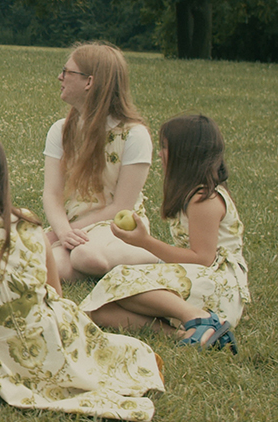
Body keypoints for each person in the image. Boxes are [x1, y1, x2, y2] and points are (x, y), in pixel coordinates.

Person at [0, 126, 164, 422]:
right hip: (53, 347)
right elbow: (55, 295)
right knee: (124, 354)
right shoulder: (27, 225)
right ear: (1, 176)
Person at [80, 114, 246, 354]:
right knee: (98, 309)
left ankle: (198, 318)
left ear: (184, 153)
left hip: (218, 287)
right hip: (199, 282)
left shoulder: (205, 200)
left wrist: (145, 241)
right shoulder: (195, 195)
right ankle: (187, 334)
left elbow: (203, 259)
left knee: (121, 278)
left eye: (165, 147)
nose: (160, 154)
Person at [42, 42, 159, 281]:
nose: (59, 77)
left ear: (89, 82)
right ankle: (97, 265)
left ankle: (155, 257)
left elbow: (121, 207)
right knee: (48, 264)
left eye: (67, 72)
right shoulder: (61, 131)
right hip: (73, 227)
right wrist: (62, 231)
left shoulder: (134, 135)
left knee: (85, 256)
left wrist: (64, 234)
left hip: (116, 227)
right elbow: (51, 194)